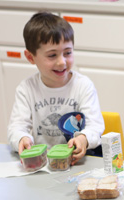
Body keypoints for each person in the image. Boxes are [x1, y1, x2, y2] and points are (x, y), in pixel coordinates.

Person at [7, 12, 104, 165]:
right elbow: (16, 127)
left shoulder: (83, 85)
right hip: (42, 164)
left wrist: (83, 138)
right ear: (31, 57)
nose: (62, 62)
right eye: (52, 55)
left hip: (76, 163)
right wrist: (22, 138)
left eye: (68, 53)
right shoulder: (26, 89)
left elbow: (95, 126)